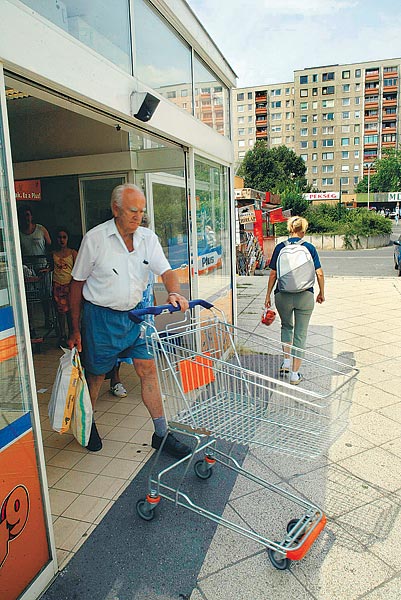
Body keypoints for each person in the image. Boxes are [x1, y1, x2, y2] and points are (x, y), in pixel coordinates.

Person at [67, 183, 190, 457]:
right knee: (96, 376)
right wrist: (74, 329)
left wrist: (174, 291)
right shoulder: (95, 239)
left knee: (148, 370)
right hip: (101, 318)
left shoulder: (148, 238)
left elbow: (167, 271)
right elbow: (76, 285)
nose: (139, 217)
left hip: (137, 317)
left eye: (142, 212)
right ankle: (87, 426)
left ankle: (161, 433)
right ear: (116, 209)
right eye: (133, 211)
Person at [264, 216, 325, 385]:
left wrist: (268, 295)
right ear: (303, 232)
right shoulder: (309, 247)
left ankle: (286, 361)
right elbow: (319, 273)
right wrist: (321, 292)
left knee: (286, 326)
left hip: (282, 295)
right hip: (305, 296)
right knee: (300, 333)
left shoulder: (279, 248)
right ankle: (294, 374)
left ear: (289, 229)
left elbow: (273, 274)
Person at [107, 212, 153, 398]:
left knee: (146, 348)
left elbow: (151, 281)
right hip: (126, 311)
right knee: (119, 349)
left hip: (145, 309)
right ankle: (115, 381)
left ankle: (150, 385)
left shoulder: (149, 250)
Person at [18, 204, 52, 333]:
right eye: (24, 215)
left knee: (45, 295)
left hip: (42, 266)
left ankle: (48, 319)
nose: (26, 218)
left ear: (31, 216)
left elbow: (49, 245)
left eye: (28, 215)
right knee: (30, 297)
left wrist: (49, 265)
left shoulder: (40, 229)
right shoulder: (19, 232)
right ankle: (30, 324)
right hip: (28, 268)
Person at [52, 227, 77, 345]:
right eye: (59, 237)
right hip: (57, 285)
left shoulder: (73, 253)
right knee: (60, 312)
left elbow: (78, 270)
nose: (61, 240)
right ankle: (62, 334)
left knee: (70, 312)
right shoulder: (53, 254)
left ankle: (72, 334)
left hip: (69, 286)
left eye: (64, 237)